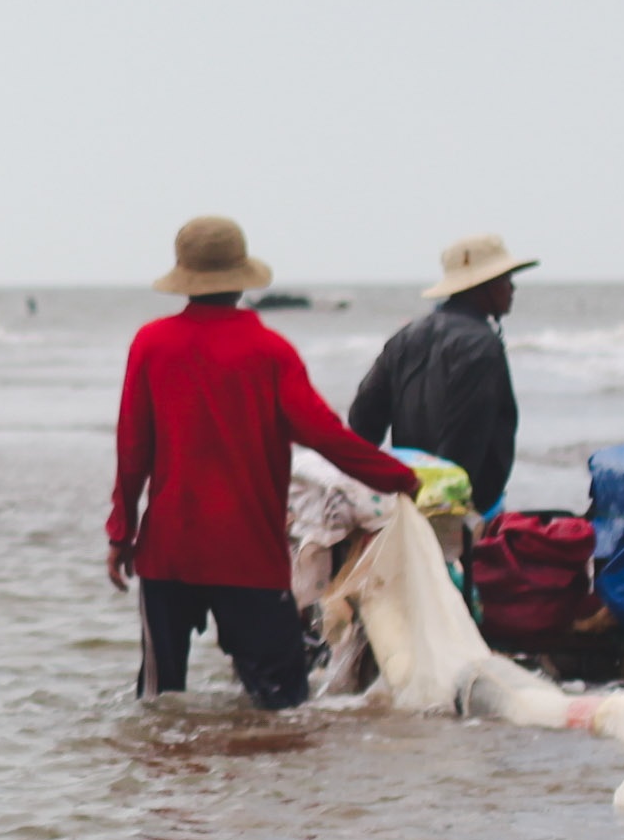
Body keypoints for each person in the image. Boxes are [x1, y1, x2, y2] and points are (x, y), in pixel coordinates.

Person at [111, 215, 419, 708]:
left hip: (169, 549)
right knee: (283, 706)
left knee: (157, 701)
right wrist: (400, 479)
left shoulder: (151, 344)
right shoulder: (271, 352)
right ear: (240, 277)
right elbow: (326, 435)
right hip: (248, 554)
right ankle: (264, 784)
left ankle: (167, 785)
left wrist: (120, 533)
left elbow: (132, 449)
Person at [345, 231, 530, 512]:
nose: (512, 289)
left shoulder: (404, 337)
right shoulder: (482, 346)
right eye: (506, 280)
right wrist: (453, 510)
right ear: (484, 286)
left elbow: (362, 422)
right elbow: (467, 437)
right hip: (459, 506)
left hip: (409, 499)